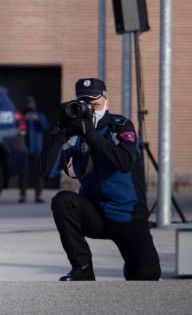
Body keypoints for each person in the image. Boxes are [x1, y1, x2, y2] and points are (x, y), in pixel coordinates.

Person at [42, 78, 160, 281]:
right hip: (95, 214)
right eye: (85, 105)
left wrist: (91, 134)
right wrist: (59, 134)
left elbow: (123, 162)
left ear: (106, 101)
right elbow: (47, 171)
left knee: (145, 276)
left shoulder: (121, 126)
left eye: (95, 105)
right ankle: (83, 268)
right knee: (62, 201)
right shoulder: (74, 134)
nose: (91, 110)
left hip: (127, 216)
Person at [19, 95, 48, 204]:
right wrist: (23, 120)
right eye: (28, 104)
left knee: (39, 173)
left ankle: (38, 195)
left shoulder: (39, 115)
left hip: (37, 148)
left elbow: (45, 128)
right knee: (23, 172)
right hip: (25, 148)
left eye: (31, 103)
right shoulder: (22, 116)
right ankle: (23, 195)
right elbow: (18, 129)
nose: (29, 106)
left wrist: (36, 119)